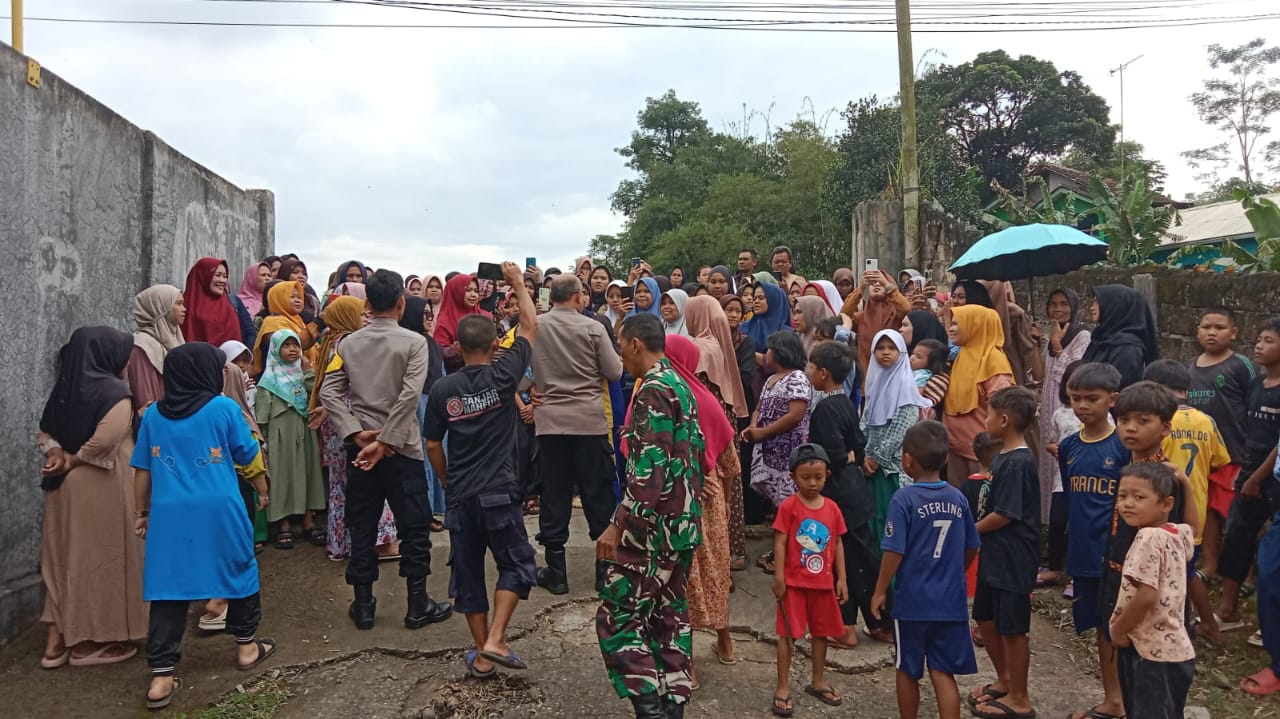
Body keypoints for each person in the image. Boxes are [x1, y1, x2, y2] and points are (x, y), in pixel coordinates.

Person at [131, 343, 274, 710]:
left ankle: (161, 677)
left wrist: (141, 512)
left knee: (168, 586)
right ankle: (246, 647)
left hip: (169, 513)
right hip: (220, 507)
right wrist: (262, 489)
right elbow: (247, 453)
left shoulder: (153, 415)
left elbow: (143, 469)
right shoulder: (223, 408)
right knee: (238, 569)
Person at [318, 269, 452, 631]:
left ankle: (363, 605)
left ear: (367, 304)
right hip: (402, 449)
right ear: (401, 303)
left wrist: (356, 434)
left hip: (361, 449)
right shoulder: (415, 343)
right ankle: (417, 604)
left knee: (362, 525)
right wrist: (387, 441)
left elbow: (329, 392)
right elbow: (410, 396)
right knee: (415, 527)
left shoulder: (347, 345)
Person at [425, 261, 539, 679]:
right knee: (518, 564)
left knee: (468, 576)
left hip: (460, 496)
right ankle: (496, 638)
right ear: (494, 345)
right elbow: (530, 326)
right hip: (499, 492)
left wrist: (446, 480)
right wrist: (517, 283)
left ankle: (483, 654)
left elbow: (432, 444)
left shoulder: (442, 389)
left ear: (457, 345)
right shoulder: (504, 375)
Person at [596, 312, 706, 719]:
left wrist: (618, 524)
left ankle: (651, 710)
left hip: (653, 530)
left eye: (620, 345)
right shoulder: (679, 385)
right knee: (667, 620)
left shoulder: (653, 391)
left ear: (635, 343)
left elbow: (650, 470)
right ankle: (671, 708)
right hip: (682, 526)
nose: (620, 355)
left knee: (618, 617)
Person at [36, 327, 145, 670]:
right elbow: (106, 439)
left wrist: (56, 454)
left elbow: (45, 432)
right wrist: (75, 459)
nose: (127, 362)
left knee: (62, 560)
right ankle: (88, 644)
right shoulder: (115, 393)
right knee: (98, 562)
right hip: (102, 488)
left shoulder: (65, 390)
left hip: (62, 488)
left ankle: (55, 642)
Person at [873, 421, 980, 719]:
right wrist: (957, 571)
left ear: (907, 460)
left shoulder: (903, 499)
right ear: (945, 458)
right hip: (950, 603)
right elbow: (972, 545)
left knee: (907, 669)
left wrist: (880, 590)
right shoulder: (958, 498)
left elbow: (894, 551)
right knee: (943, 671)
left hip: (912, 604)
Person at [530, 274, 624, 595]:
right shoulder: (593, 328)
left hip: (550, 425)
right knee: (597, 494)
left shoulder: (536, 327)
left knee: (553, 494)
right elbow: (614, 371)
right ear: (577, 296)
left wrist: (533, 387)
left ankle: (556, 573)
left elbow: (518, 373)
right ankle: (604, 572)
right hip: (589, 423)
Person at [806, 341, 890, 649]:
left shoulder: (824, 409)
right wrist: (851, 457)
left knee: (842, 563)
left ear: (823, 373)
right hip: (855, 491)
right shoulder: (844, 402)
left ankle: (845, 628)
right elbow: (857, 444)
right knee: (863, 560)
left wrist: (838, 461)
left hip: (839, 495)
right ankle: (879, 622)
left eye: (811, 367)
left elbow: (832, 455)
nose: (808, 372)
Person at [1055, 363, 1128, 719]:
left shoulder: (1125, 446)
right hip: (1084, 551)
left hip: (1118, 552)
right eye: (1075, 398)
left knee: (1120, 625)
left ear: (1112, 399)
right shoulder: (1068, 447)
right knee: (1100, 625)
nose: (1082, 406)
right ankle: (1113, 698)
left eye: (1091, 398)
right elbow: (1072, 499)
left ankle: (1124, 698)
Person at [666, 335, 739, 682]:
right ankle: (725, 642)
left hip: (676, 503)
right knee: (716, 575)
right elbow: (730, 463)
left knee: (684, 581)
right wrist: (724, 502)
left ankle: (688, 664)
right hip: (711, 504)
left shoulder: (660, 397)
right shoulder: (708, 400)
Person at [1145, 359, 1231, 643]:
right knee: (1186, 567)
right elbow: (1220, 460)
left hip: (1164, 505)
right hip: (1196, 508)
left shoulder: (1156, 422)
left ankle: (1190, 626)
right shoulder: (1206, 421)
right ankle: (1204, 625)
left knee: (1175, 571)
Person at [309, 296, 400, 562]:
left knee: (340, 484)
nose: (365, 320)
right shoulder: (350, 343)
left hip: (335, 421)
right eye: (360, 315)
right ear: (346, 317)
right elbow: (352, 385)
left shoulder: (330, 342)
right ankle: (381, 543)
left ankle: (341, 544)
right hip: (354, 421)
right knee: (369, 479)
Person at [968, 387, 1039, 719]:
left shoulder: (1019, 462)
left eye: (990, 414)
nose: (986, 420)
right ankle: (1005, 679)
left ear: (1005, 420)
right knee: (985, 615)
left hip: (1014, 557)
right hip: (995, 554)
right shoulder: (1003, 457)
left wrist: (971, 530)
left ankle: (1020, 698)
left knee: (1012, 627)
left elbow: (1006, 513)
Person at [1108, 462, 1197, 719]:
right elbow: (1193, 527)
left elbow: (1146, 595)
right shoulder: (1175, 534)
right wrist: (1186, 483)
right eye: (1122, 496)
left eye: (1139, 497)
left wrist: (1118, 630)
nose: (1127, 504)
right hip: (1176, 649)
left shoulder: (1147, 537)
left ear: (1166, 504)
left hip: (1146, 650)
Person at [771, 443, 847, 715]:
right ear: (793, 477)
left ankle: (817, 680)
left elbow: (837, 543)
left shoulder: (833, 509)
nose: (813, 483)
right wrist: (779, 577)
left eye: (818, 477)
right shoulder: (789, 507)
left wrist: (841, 579)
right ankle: (782, 686)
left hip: (823, 585)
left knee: (821, 634)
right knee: (787, 635)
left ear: (827, 475)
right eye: (805, 478)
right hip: (793, 584)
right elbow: (780, 542)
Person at [1216, 317, 1280, 633]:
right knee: (1236, 538)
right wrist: (1246, 473)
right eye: (1258, 339)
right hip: (1250, 471)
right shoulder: (1257, 385)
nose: (1259, 346)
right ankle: (1228, 610)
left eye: (1268, 341)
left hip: (1273, 478)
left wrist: (1257, 478)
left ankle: (1268, 622)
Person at [1186, 307, 1254, 582]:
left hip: (1235, 454)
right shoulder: (1190, 367)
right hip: (1203, 456)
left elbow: (1254, 402)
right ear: (1197, 331)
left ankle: (1245, 573)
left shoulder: (1240, 365)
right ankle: (1211, 564)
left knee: (1236, 516)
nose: (1212, 333)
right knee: (1208, 512)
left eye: (1220, 327)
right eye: (1206, 327)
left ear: (1234, 332)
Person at [685, 295, 749, 572]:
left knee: (711, 485)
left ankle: (713, 559)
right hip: (726, 418)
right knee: (730, 482)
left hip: (707, 422)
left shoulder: (700, 347)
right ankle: (733, 550)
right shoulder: (720, 344)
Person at [744, 331, 813, 574]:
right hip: (770, 455)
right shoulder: (772, 379)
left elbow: (795, 415)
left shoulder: (797, 379)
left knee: (793, 507)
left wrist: (763, 432)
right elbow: (759, 408)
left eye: (770, 349)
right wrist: (753, 426)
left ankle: (793, 557)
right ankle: (780, 551)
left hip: (788, 457)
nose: (766, 354)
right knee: (780, 507)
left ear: (782, 352)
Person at [255, 330, 325, 549]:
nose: (293, 349)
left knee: (309, 472)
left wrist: (307, 372)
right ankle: (283, 524)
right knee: (282, 476)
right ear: (276, 349)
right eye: (286, 345)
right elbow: (262, 416)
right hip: (280, 435)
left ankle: (308, 521)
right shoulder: (268, 381)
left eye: (295, 345)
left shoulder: (303, 373)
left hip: (305, 431)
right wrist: (264, 443)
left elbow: (317, 395)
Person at [943, 306, 1015, 488]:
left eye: (957, 324)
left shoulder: (993, 359)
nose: (951, 329)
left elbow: (1002, 405)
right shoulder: (963, 356)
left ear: (975, 326)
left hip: (982, 453)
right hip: (957, 449)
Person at [1040, 289, 1092, 525]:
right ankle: (1048, 521)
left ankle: (1065, 522)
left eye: (1063, 304)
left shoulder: (1082, 336)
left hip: (1069, 409)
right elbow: (1040, 374)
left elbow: (1075, 374)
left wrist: (1058, 345)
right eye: (1053, 304)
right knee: (1048, 464)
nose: (1057, 309)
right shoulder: (1053, 336)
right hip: (1049, 409)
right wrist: (1036, 345)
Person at [1082, 285, 1158, 389]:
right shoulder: (1102, 338)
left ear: (1115, 305)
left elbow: (1119, 386)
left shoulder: (1127, 347)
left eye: (1097, 302)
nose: (1092, 307)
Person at [127, 285, 187, 418]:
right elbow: (145, 399)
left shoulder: (176, 339)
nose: (184, 309)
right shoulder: (141, 345)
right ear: (161, 308)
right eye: (179, 304)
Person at [840, 269, 911, 377]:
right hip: (866, 377)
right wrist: (860, 288)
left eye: (880, 282)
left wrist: (887, 286)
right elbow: (844, 315)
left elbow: (906, 309)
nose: (877, 284)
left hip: (893, 374)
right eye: (872, 283)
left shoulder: (896, 314)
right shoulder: (862, 317)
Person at [256, 280, 321, 375]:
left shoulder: (297, 320)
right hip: (281, 378)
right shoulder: (272, 322)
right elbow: (292, 344)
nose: (298, 300)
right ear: (278, 299)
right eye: (292, 297)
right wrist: (319, 323)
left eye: (299, 297)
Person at [435, 273, 492, 373]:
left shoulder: (485, 316)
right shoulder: (445, 321)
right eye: (468, 290)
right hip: (455, 375)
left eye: (476, 291)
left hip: (484, 373)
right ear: (456, 291)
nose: (473, 295)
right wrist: (460, 348)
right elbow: (439, 353)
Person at [180, 258, 243, 347]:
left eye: (225, 276)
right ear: (203, 276)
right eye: (217, 275)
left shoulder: (228, 307)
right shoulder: (183, 306)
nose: (222, 280)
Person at [741, 282, 792, 368]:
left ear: (773, 300)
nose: (756, 302)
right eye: (755, 298)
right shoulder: (744, 328)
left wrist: (750, 354)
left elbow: (785, 364)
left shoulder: (787, 333)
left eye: (761, 298)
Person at [909, 339, 950, 416]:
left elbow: (916, 396)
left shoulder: (922, 375)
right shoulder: (910, 370)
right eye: (913, 353)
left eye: (918, 356)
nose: (912, 358)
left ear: (932, 362)